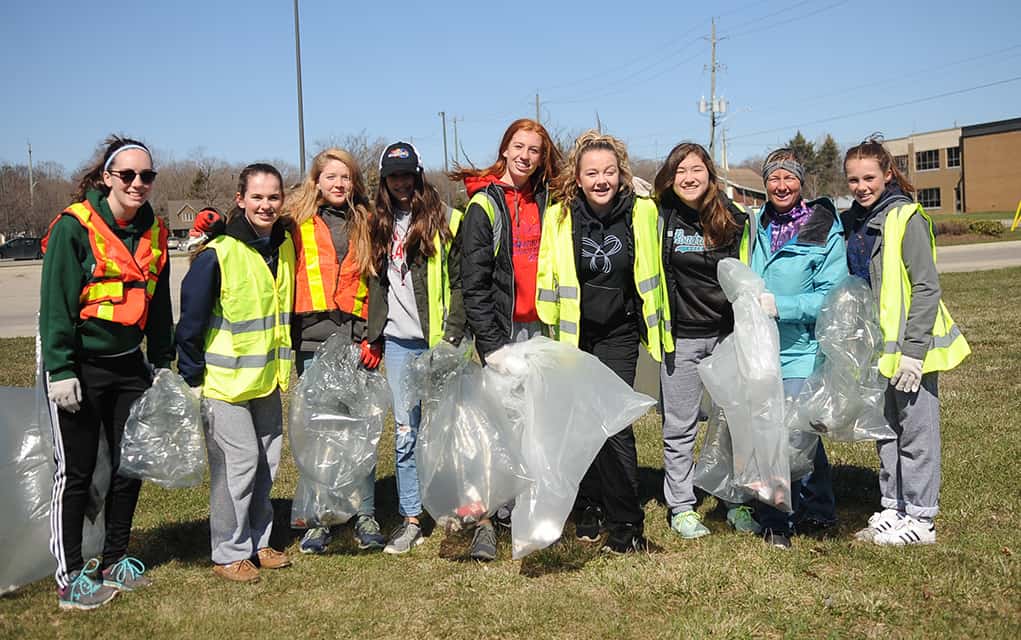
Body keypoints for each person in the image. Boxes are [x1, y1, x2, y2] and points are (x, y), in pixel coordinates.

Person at [40, 136, 171, 609]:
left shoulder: (153, 231)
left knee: (128, 465)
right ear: (106, 178)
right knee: (74, 472)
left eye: (147, 176)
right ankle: (69, 575)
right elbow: (54, 304)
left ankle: (115, 558)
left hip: (127, 365)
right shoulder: (75, 227)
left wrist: (161, 357)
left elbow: (157, 303)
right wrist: (60, 368)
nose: (138, 184)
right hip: (79, 365)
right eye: (128, 175)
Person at [535, 130, 672, 554]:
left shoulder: (643, 211)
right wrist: (552, 325)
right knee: (579, 428)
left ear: (621, 174)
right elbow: (546, 272)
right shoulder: (558, 215)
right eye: (592, 172)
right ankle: (589, 507)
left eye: (609, 172)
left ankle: (627, 526)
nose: (601, 180)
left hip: (620, 332)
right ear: (577, 176)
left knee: (613, 427)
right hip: (576, 337)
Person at [841, 136, 970, 546]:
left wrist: (914, 354)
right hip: (879, 350)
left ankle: (921, 517)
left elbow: (927, 288)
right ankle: (893, 507)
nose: (861, 186)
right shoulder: (858, 221)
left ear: (887, 174)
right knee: (887, 432)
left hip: (913, 351)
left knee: (916, 433)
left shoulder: (905, 217)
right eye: (853, 180)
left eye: (869, 178)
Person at [176, 163, 296, 582]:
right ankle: (228, 551)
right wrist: (192, 378)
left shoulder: (283, 246)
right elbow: (189, 324)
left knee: (267, 462)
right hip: (224, 384)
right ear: (240, 200)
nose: (266, 205)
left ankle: (259, 542)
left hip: (265, 380)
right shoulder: (218, 253)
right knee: (238, 464)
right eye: (257, 197)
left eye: (273, 197)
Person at [451, 118, 561, 558]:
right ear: (505, 148)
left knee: (534, 426)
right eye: (519, 146)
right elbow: (473, 284)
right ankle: (484, 522)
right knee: (495, 430)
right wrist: (492, 346)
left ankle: (524, 513)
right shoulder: (485, 206)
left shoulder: (549, 199)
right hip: (503, 334)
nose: (525, 156)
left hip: (542, 330)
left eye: (534, 150)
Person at [363, 142, 466, 556]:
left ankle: (454, 509)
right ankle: (410, 519)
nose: (402, 182)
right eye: (393, 175)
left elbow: (461, 283)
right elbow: (376, 285)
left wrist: (453, 335)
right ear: (384, 180)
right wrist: (373, 336)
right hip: (399, 344)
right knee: (406, 434)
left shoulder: (447, 221)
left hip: (441, 342)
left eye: (408, 174)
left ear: (419, 175)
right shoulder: (377, 224)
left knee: (445, 431)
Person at [653, 142, 757, 540]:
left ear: (710, 175)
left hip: (727, 337)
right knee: (679, 427)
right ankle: (681, 506)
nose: (689, 178)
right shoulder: (660, 217)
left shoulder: (733, 218)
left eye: (696, 169)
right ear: (671, 177)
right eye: (680, 171)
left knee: (734, 422)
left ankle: (736, 500)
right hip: (680, 338)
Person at [284, 148, 385, 554]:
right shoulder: (295, 222)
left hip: (356, 339)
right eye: (331, 177)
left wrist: (372, 336)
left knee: (360, 431)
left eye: (345, 177)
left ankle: (364, 514)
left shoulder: (367, 222)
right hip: (312, 339)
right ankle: (319, 518)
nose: (339, 184)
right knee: (319, 433)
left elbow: (378, 283)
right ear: (317, 181)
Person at [747, 148, 847, 549]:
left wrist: (782, 308)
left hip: (800, 350)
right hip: (758, 349)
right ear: (765, 183)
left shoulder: (822, 229)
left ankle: (815, 511)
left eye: (789, 178)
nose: (781, 185)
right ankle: (777, 517)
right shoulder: (755, 226)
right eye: (774, 178)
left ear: (801, 182)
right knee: (767, 434)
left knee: (797, 437)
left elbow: (832, 295)